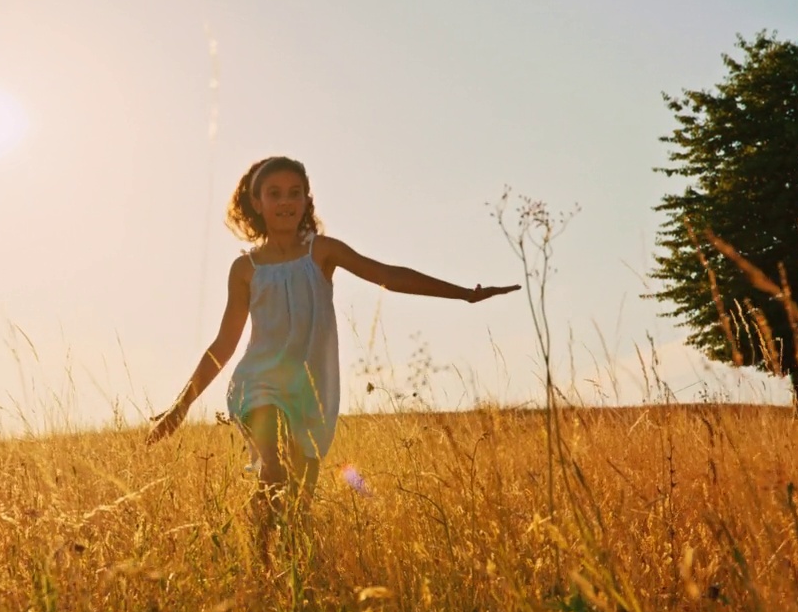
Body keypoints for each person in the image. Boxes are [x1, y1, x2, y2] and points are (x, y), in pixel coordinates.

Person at [145, 155, 520, 558]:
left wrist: (464, 293)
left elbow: (388, 276)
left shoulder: (322, 252)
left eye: (294, 193)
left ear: (307, 200)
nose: (285, 202)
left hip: (310, 392)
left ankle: (283, 572)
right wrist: (180, 406)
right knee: (272, 469)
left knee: (299, 501)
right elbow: (224, 343)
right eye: (274, 194)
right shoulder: (245, 269)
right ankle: (257, 563)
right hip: (258, 384)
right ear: (256, 202)